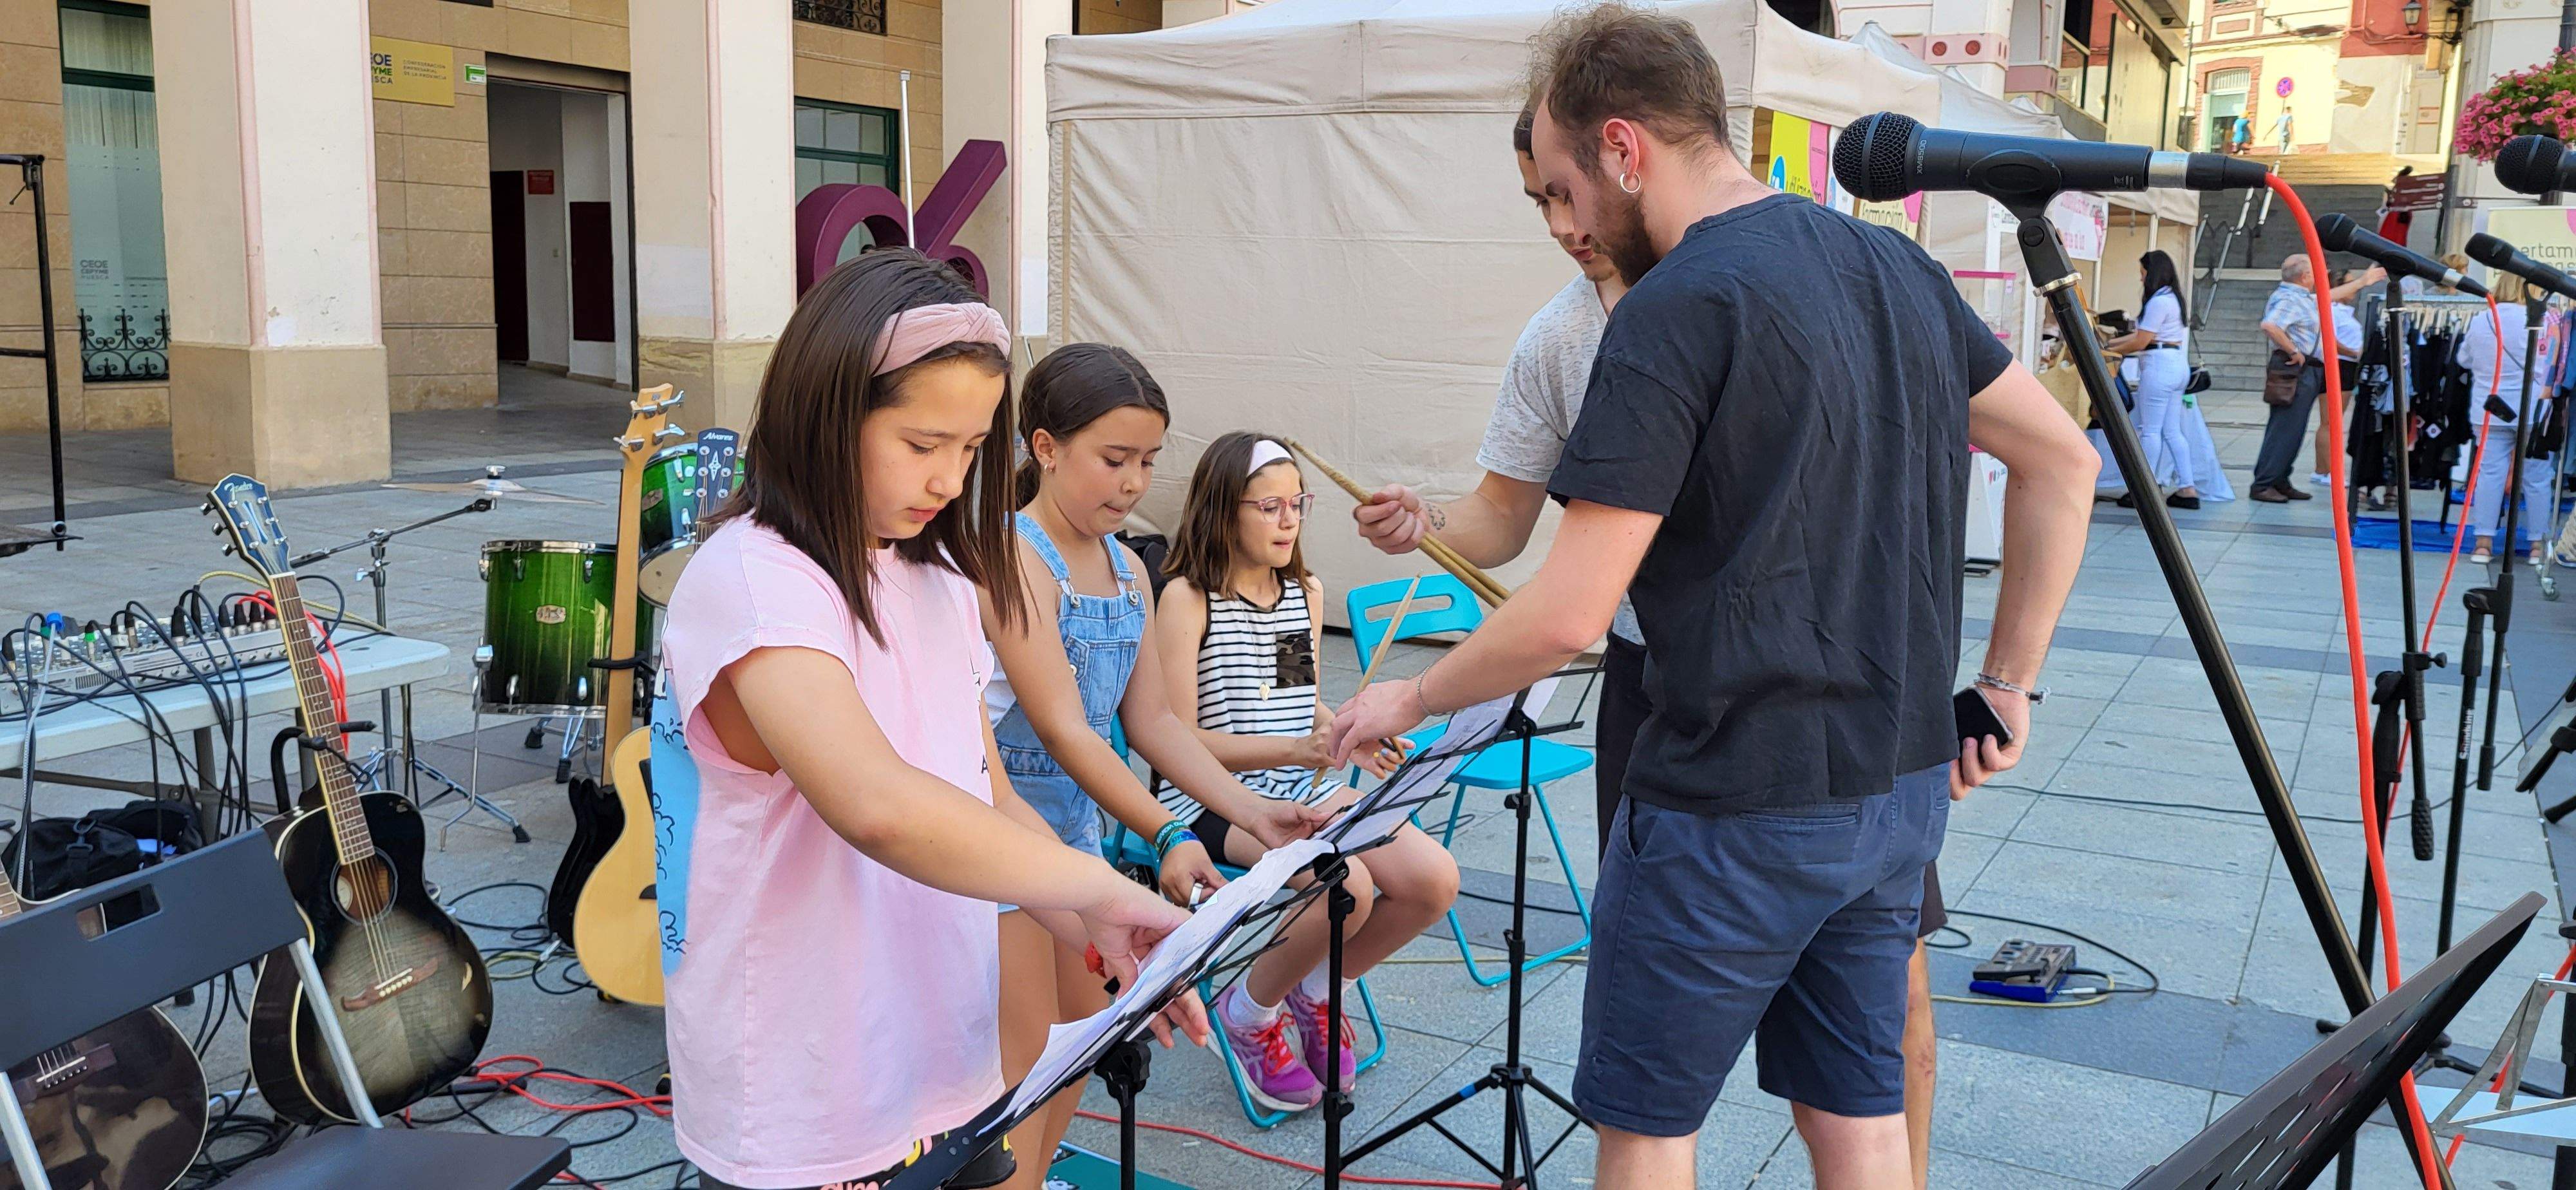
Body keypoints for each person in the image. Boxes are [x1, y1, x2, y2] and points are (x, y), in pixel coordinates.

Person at [1327, 8, 2100, 1188]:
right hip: (1893, 789)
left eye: (1563, 189)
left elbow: (1570, 614)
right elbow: (2064, 459)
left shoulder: (1672, 308)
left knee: (1647, 1127)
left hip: (1730, 799)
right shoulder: (1895, 262)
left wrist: (1407, 697)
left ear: (1624, 149)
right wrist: (2008, 682)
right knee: (1860, 1122)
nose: (1567, 225)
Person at [656, 249, 1206, 1190]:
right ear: (828, 415)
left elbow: (982, 787)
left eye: (970, 447)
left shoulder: (938, 575)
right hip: (810, 1075)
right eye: (921, 445)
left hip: (946, 1047)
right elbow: (878, 804)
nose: (950, 478)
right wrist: (1099, 881)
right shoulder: (757, 579)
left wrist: (1083, 914)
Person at [980, 344, 1369, 1165]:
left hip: (1076, 840)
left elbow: (1153, 722)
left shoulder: (1127, 567)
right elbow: (1063, 729)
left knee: (1082, 1044)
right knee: (1017, 1080)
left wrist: (1252, 809)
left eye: (1147, 462)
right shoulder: (1014, 555)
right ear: (1045, 448)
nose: (1131, 482)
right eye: (1113, 459)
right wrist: (1166, 833)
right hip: (999, 840)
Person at [1153, 430, 1460, 1101]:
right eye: (1269, 507)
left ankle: (1318, 991)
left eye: (1298, 504)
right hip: (1210, 799)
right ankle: (1249, 1010)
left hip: (1299, 782)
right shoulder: (1187, 599)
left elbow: (1295, 699)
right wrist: (1299, 749)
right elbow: (1177, 740)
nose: (1289, 520)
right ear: (1222, 509)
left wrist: (1347, 727)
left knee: (1433, 879)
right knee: (1346, 883)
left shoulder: (1301, 592)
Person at [2252, 257, 2380, 502]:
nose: (2322, 275)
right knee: (2286, 428)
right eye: (2316, 271)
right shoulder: (2289, 298)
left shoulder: (2301, 297)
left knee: (2294, 428)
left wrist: (2363, 282)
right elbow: (2270, 325)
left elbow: (2331, 295)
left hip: (2307, 369)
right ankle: (2265, 483)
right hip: (2296, 369)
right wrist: (2293, 351)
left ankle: (2279, 479)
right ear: (2305, 276)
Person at [2460, 272, 2557, 564]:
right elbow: (2553, 363)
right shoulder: (2546, 319)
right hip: (2534, 409)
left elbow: (2464, 360)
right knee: (2537, 477)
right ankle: (2537, 546)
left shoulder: (2483, 319)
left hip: (2490, 407)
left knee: (2490, 474)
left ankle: (2483, 543)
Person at [2105, 250, 2200, 509]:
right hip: (2176, 366)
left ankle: (2146, 489)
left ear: (2152, 272)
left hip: (2159, 367)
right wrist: (2110, 343)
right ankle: (2188, 489)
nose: (2141, 279)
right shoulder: (2174, 298)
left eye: (2142, 273)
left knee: (2151, 432)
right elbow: (2145, 338)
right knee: (2172, 431)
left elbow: (2141, 341)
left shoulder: (2158, 301)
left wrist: (2106, 348)